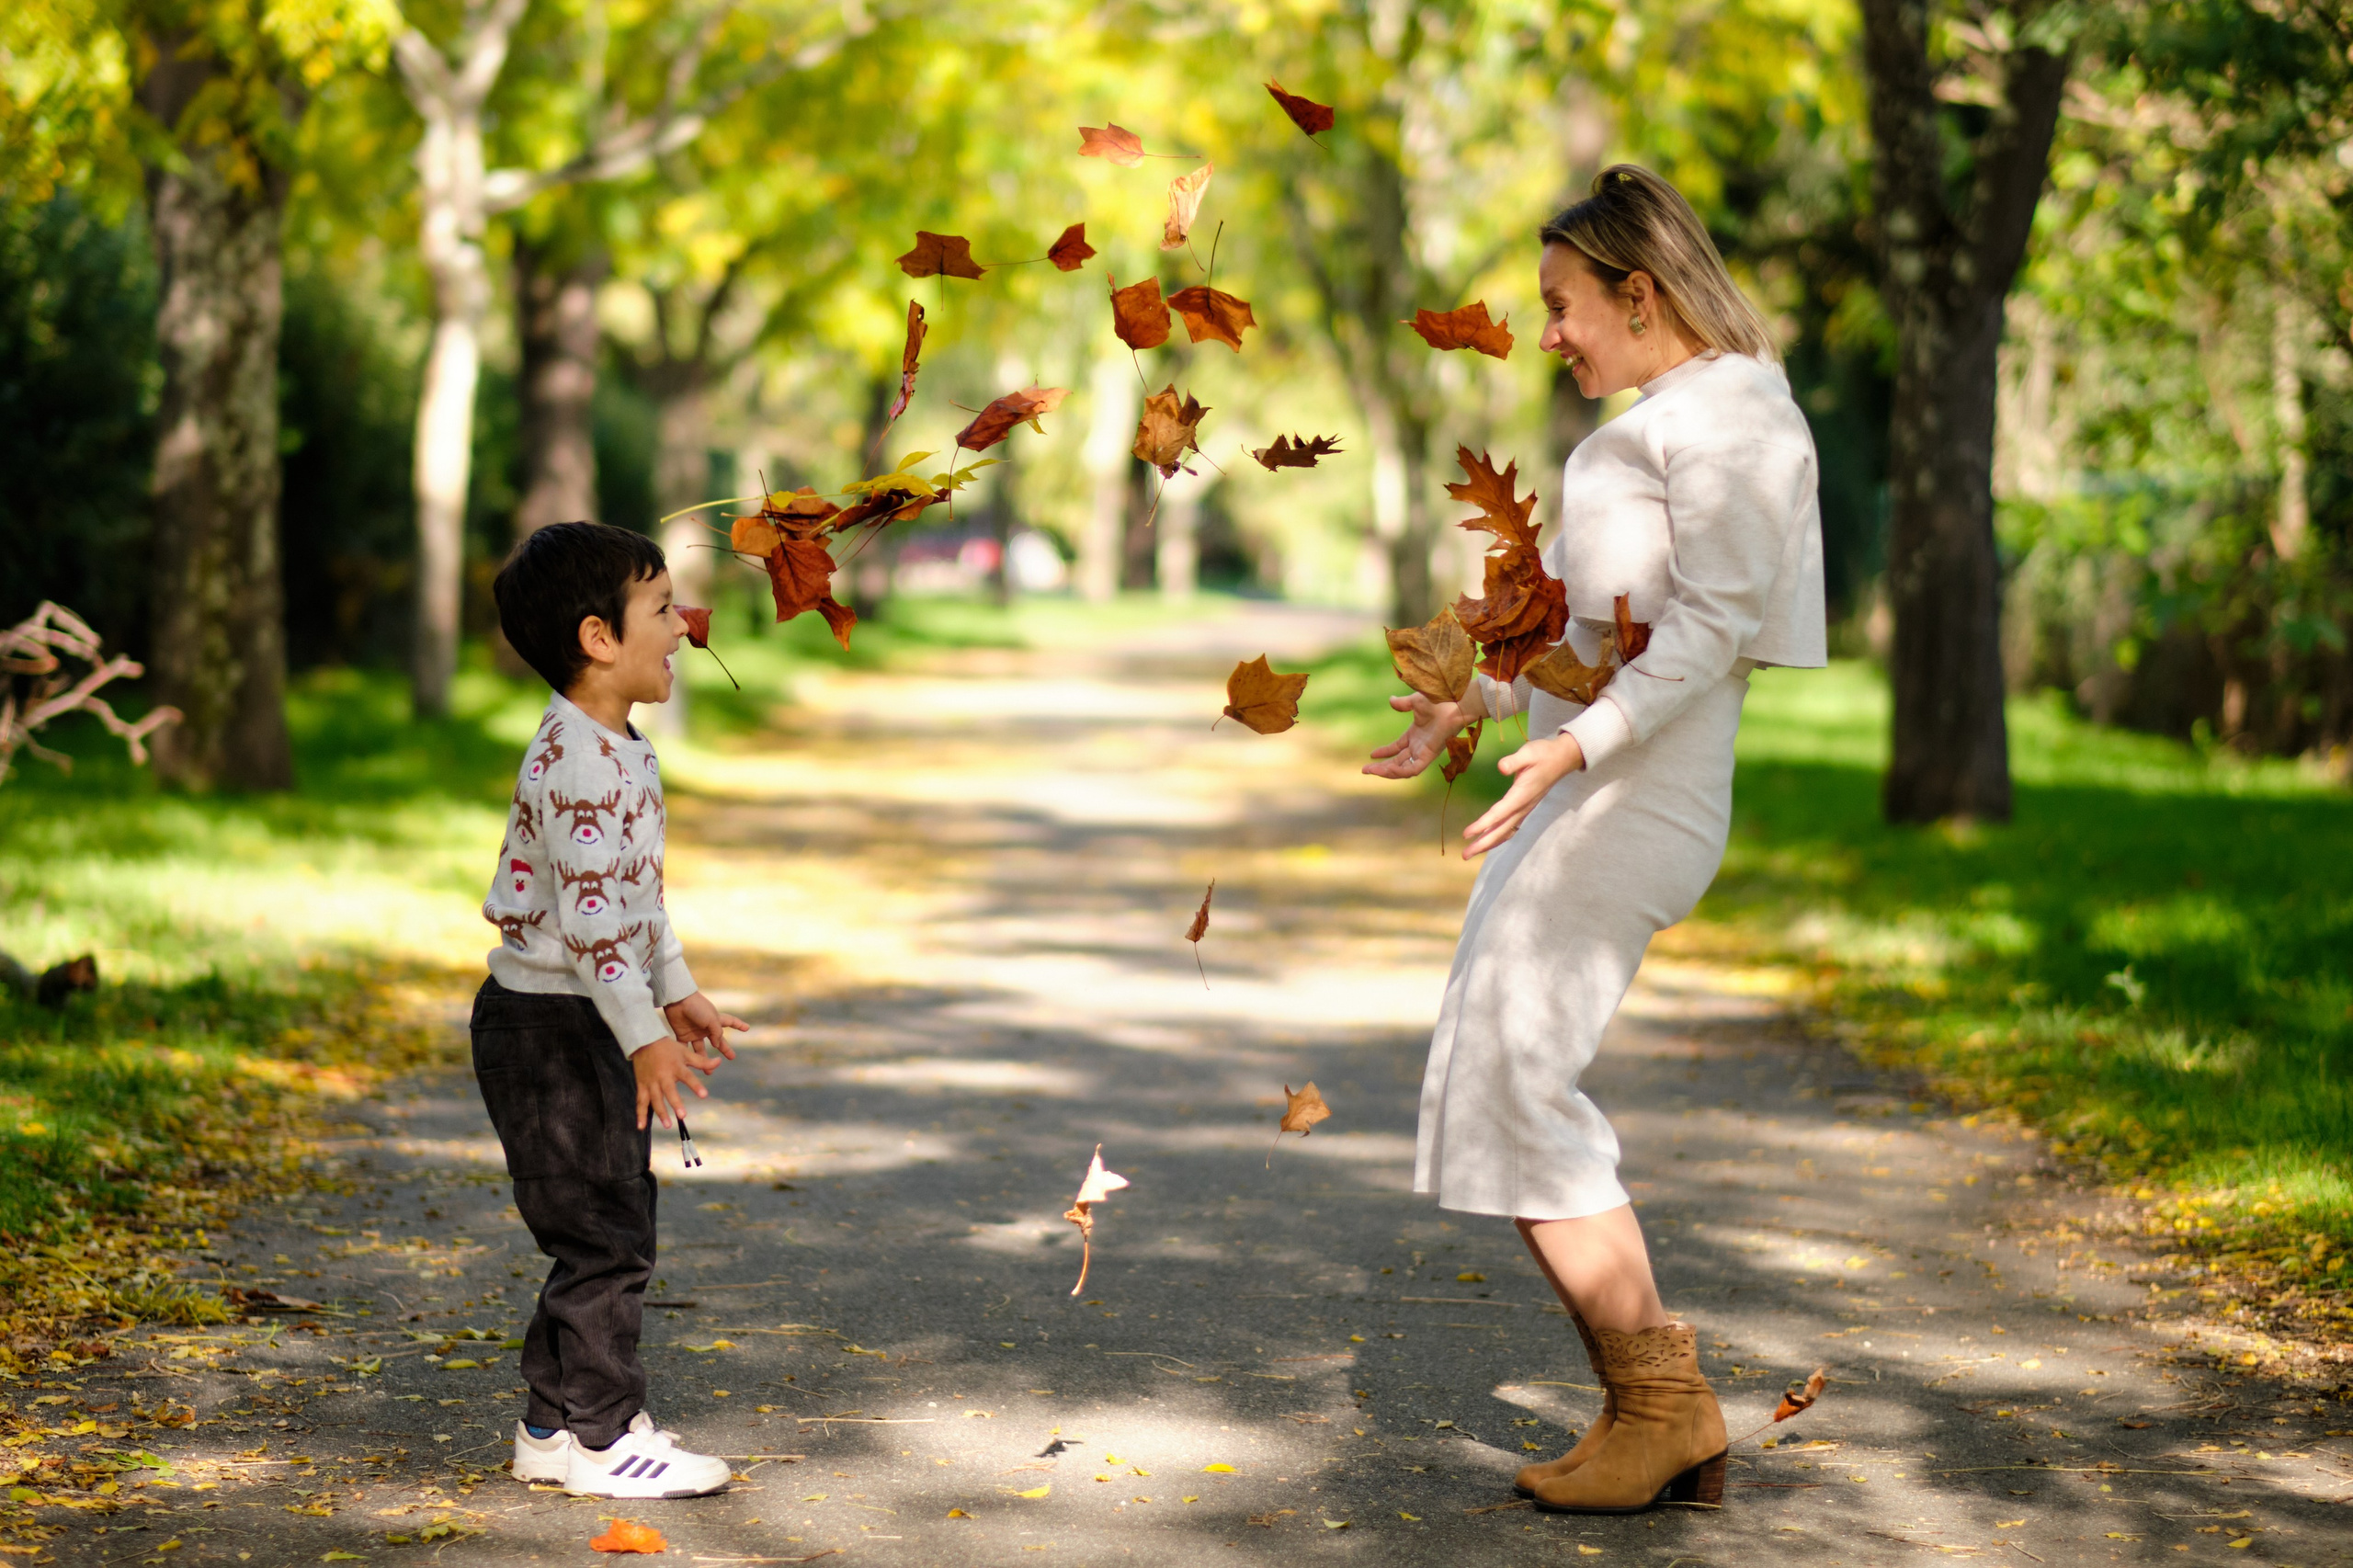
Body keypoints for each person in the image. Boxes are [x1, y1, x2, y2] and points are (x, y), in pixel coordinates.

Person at [1365, 165, 1825, 1513]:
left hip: (1642, 798)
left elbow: (1710, 630)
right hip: (1597, 777)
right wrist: (1482, 699)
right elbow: (1588, 654)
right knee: (1495, 1074)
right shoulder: (1668, 416)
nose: (1550, 330)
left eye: (1566, 304)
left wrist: (1579, 746)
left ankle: (1663, 1406)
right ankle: (1651, 1408)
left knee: (1518, 1078)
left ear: (1642, 290)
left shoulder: (1736, 414)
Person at [474, 521, 750, 1498]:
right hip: (551, 1028)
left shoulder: (619, 747)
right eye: (663, 609)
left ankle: (553, 1425)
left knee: (605, 1218)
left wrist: (675, 991)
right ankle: (601, 1437)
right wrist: (642, 1039)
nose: (684, 626)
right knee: (604, 1232)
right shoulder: (581, 764)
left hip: (584, 1013)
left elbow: (633, 903)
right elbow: (592, 934)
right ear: (599, 637)